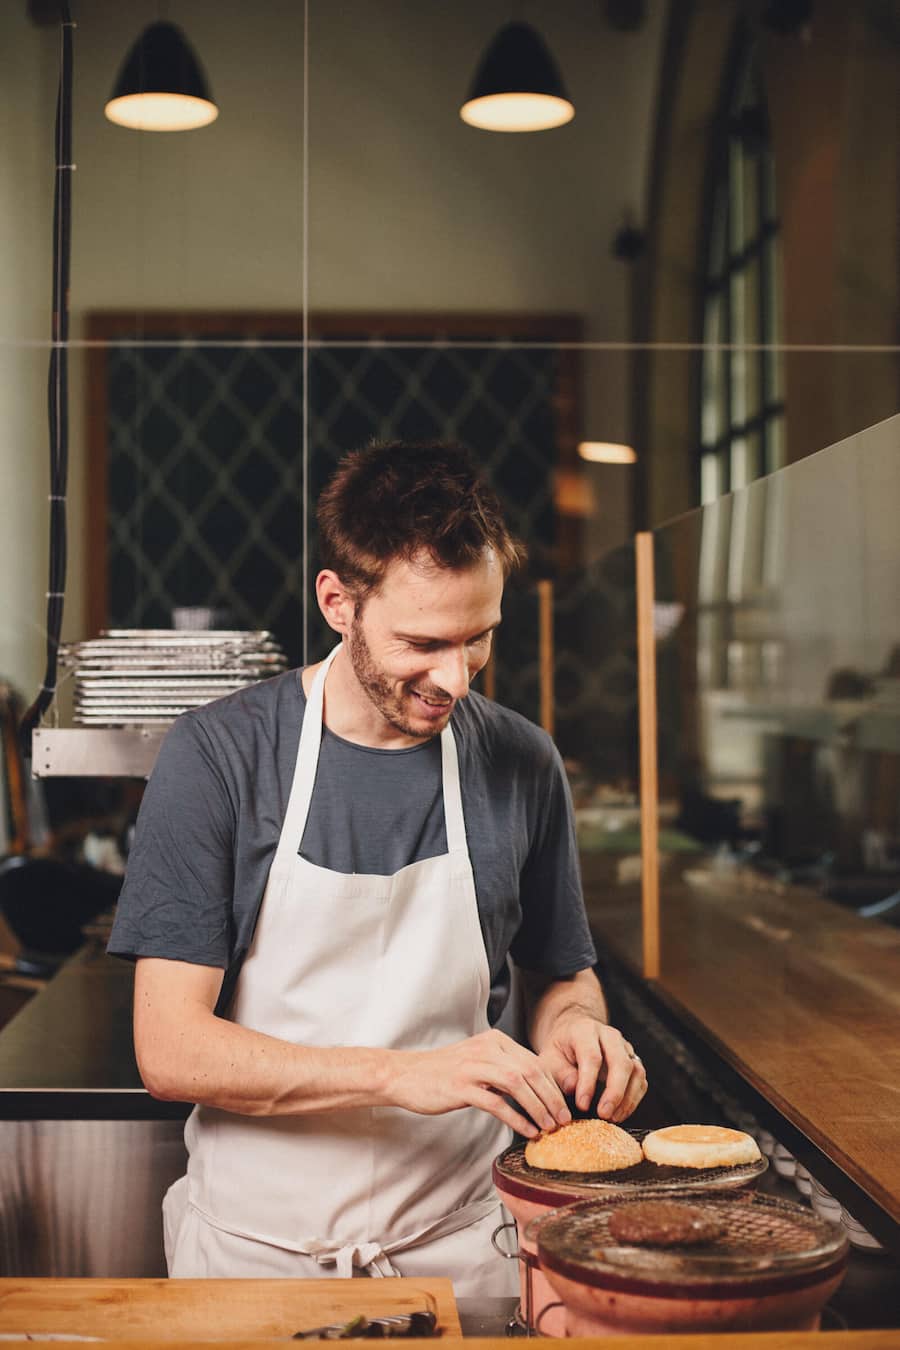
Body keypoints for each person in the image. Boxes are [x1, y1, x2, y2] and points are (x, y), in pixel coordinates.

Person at [108, 440, 647, 1295]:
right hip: (254, 1258)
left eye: (478, 639)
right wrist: (401, 1074)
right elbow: (170, 1048)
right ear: (338, 602)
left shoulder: (521, 760)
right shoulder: (219, 756)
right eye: (422, 642)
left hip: (462, 1249)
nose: (454, 679)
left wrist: (576, 1027)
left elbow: (559, 973)